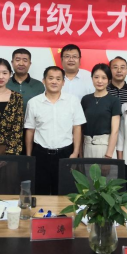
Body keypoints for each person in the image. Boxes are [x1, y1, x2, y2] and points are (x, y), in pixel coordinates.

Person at [24, 66, 86, 195]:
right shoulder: (33, 103)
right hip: (40, 154)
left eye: (58, 79)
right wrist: (29, 157)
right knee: (40, 193)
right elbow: (30, 130)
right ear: (44, 81)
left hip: (65, 154)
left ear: (63, 82)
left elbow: (77, 128)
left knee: (64, 193)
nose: (54, 82)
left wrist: (75, 153)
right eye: (50, 78)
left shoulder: (73, 101)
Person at [81, 64, 121, 159]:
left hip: (105, 147)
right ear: (92, 78)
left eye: (104, 78)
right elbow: (81, 128)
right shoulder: (85, 99)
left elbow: (115, 131)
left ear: (109, 80)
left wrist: (109, 155)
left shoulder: (114, 101)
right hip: (87, 146)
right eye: (96, 77)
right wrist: (80, 153)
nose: (99, 81)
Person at [6, 48, 45, 113]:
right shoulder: (4, 84)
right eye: (17, 60)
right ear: (12, 63)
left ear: (30, 63)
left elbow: (43, 109)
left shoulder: (38, 85)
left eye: (25, 60)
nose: (21, 63)